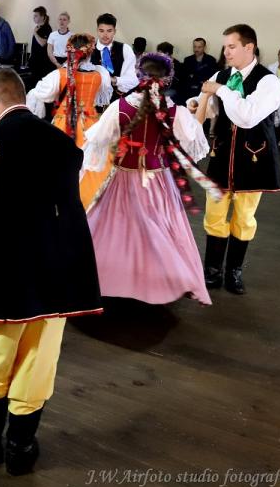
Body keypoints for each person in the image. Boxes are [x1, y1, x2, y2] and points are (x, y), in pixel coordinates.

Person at [0, 68, 101, 476]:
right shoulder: (65, 143)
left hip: (7, 263)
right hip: (59, 265)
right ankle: (22, 446)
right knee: (41, 355)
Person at [82, 53, 212, 305]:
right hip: (159, 182)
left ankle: (117, 278)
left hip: (123, 178)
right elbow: (194, 139)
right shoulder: (174, 111)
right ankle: (155, 281)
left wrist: (100, 160)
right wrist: (204, 100)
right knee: (159, 229)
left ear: (139, 76)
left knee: (117, 229)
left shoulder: (120, 107)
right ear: (167, 80)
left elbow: (98, 141)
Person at [191, 24, 280, 295]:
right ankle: (212, 271)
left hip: (253, 158)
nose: (226, 52)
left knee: (244, 218)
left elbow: (247, 116)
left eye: (231, 46)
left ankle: (234, 271)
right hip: (220, 157)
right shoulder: (222, 75)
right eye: (225, 47)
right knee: (214, 215)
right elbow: (208, 106)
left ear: (248, 47)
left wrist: (220, 90)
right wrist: (196, 103)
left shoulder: (269, 82)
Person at [26, 33, 113, 207]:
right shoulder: (100, 74)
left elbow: (37, 94)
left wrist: (37, 116)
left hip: (62, 124)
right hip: (91, 126)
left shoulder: (59, 74)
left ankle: (59, 203)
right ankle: (87, 203)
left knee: (58, 164)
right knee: (89, 164)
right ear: (89, 53)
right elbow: (103, 96)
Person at [91, 13, 138, 95]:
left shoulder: (125, 49)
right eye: (101, 31)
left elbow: (134, 79)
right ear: (97, 30)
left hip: (118, 97)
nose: (105, 35)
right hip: (93, 96)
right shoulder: (89, 50)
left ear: (114, 31)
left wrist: (115, 80)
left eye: (109, 31)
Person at [28, 6, 54, 80]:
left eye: (36, 16)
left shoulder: (47, 28)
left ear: (42, 17)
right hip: (34, 61)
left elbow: (43, 43)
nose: (34, 17)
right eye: (34, 16)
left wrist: (35, 33)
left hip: (42, 63)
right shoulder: (37, 28)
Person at [156, 41, 185, 105]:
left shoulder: (178, 65)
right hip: (160, 88)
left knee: (163, 94)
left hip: (172, 89)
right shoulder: (159, 64)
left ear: (167, 53)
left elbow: (179, 82)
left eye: (160, 54)